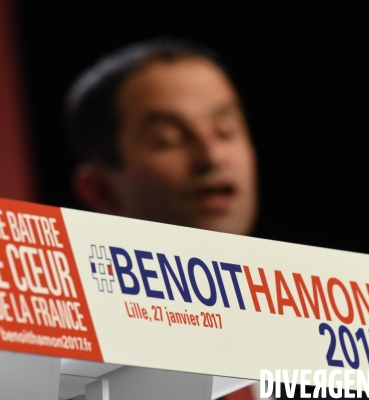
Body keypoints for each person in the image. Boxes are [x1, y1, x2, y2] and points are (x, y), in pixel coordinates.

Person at [65, 38, 263, 400]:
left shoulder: (309, 333)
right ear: (101, 190)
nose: (211, 155)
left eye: (226, 130)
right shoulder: (66, 365)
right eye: (167, 139)